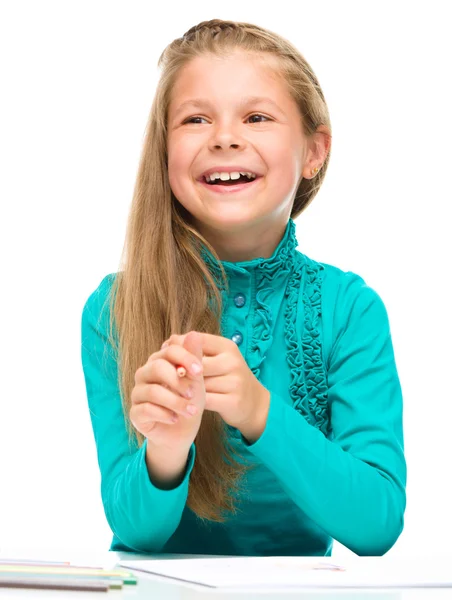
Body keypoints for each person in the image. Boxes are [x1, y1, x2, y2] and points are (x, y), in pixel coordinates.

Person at [81, 19, 406, 557]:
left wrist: (260, 411)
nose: (224, 137)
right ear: (165, 154)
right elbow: (135, 529)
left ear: (313, 152)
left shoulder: (350, 310)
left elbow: (376, 525)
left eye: (256, 117)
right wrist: (165, 448)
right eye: (195, 118)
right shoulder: (113, 310)